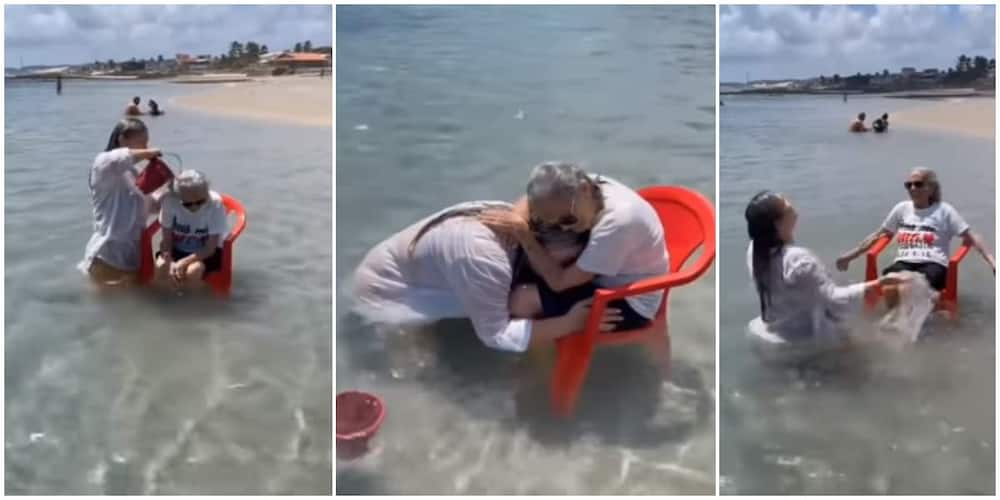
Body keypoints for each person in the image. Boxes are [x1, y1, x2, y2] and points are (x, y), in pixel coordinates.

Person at [351, 201, 622, 353]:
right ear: (535, 243)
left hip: (421, 270)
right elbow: (497, 336)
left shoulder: (520, 224)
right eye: (568, 262)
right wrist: (570, 323)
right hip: (386, 293)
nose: (571, 272)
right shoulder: (486, 259)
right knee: (418, 365)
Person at [480, 162, 669, 332]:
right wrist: (516, 219)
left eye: (567, 219)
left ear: (585, 189)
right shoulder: (587, 185)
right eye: (556, 222)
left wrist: (525, 236)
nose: (564, 227)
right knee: (517, 270)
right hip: (602, 275)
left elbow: (560, 283)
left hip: (629, 300)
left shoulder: (618, 222)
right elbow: (529, 201)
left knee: (520, 301)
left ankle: (538, 362)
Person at [744, 191, 905, 362]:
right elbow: (833, 300)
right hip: (809, 338)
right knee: (885, 322)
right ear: (778, 223)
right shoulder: (798, 259)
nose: (789, 201)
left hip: (774, 330)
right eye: (784, 202)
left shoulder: (754, 249)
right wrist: (875, 284)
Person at [836, 168, 995, 306]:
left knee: (907, 287)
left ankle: (911, 325)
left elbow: (971, 236)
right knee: (889, 286)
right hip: (904, 263)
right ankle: (897, 328)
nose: (912, 188)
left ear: (931, 188)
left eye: (918, 184)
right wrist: (850, 256)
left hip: (933, 265)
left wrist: (993, 263)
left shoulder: (944, 211)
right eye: (908, 185)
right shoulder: (901, 208)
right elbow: (879, 235)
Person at [78, 118, 162, 286]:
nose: (146, 147)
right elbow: (117, 158)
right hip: (106, 257)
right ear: (122, 139)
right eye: (143, 142)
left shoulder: (134, 173)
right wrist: (151, 153)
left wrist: (176, 193)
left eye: (148, 143)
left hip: (131, 260)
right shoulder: (103, 165)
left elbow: (150, 206)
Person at [156, 170, 229, 289]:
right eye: (188, 204)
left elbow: (210, 247)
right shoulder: (169, 201)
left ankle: (192, 304)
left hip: (205, 253)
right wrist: (169, 260)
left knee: (193, 271)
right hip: (176, 248)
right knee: (161, 266)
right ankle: (163, 301)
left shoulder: (215, 203)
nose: (195, 207)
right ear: (178, 197)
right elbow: (166, 240)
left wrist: (184, 262)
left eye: (200, 202)